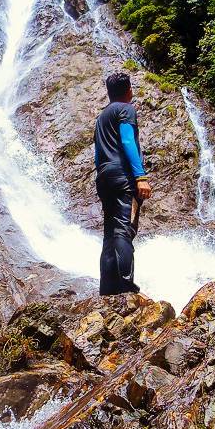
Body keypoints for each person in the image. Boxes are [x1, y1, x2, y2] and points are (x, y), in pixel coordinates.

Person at [93, 71, 152, 295]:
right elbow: (128, 141)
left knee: (110, 233)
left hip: (104, 176)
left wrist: (103, 175)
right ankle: (126, 284)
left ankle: (107, 289)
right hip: (122, 176)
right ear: (129, 90)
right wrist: (140, 176)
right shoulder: (126, 110)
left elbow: (98, 155)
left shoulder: (101, 118)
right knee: (124, 230)